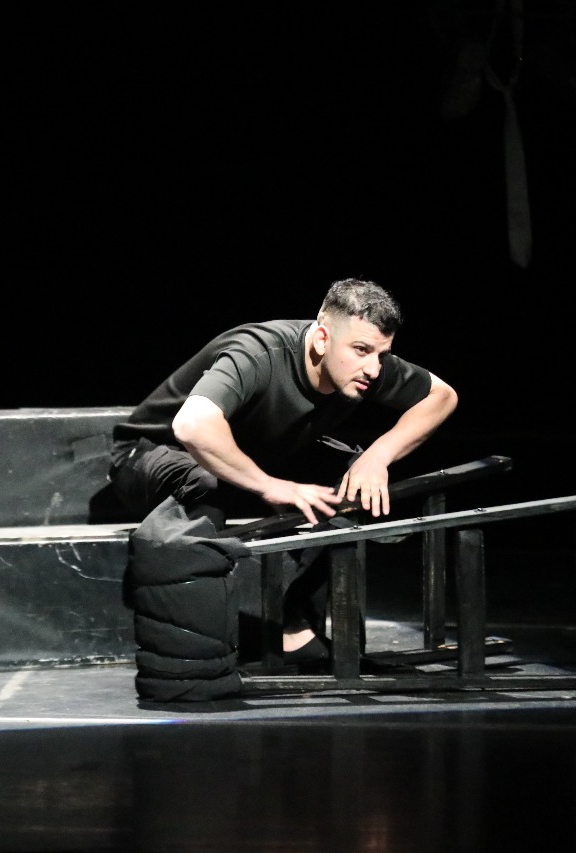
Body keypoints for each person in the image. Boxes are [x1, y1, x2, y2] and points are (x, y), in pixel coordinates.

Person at [109, 278, 459, 671]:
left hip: (253, 457)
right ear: (322, 339)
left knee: (350, 475)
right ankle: (203, 638)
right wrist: (270, 486)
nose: (374, 368)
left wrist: (379, 455)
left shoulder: (364, 366)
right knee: (206, 482)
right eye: (361, 350)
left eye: (383, 354)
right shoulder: (259, 352)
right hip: (150, 455)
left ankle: (297, 628)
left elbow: (442, 396)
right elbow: (191, 427)